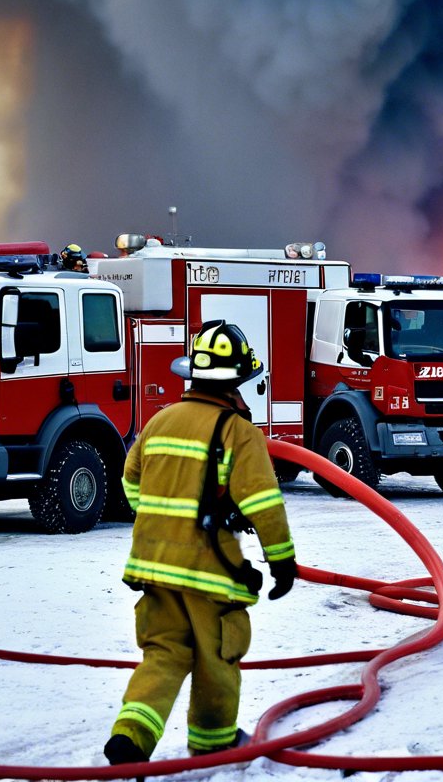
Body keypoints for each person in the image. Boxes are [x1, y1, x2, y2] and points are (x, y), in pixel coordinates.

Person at [105, 320, 297, 765]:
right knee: (217, 657)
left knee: (163, 654)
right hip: (209, 573)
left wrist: (169, 517)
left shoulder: (159, 421)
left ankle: (130, 737)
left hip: (152, 565)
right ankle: (215, 744)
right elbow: (264, 504)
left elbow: (131, 485)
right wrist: (281, 562)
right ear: (236, 383)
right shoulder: (238, 432)